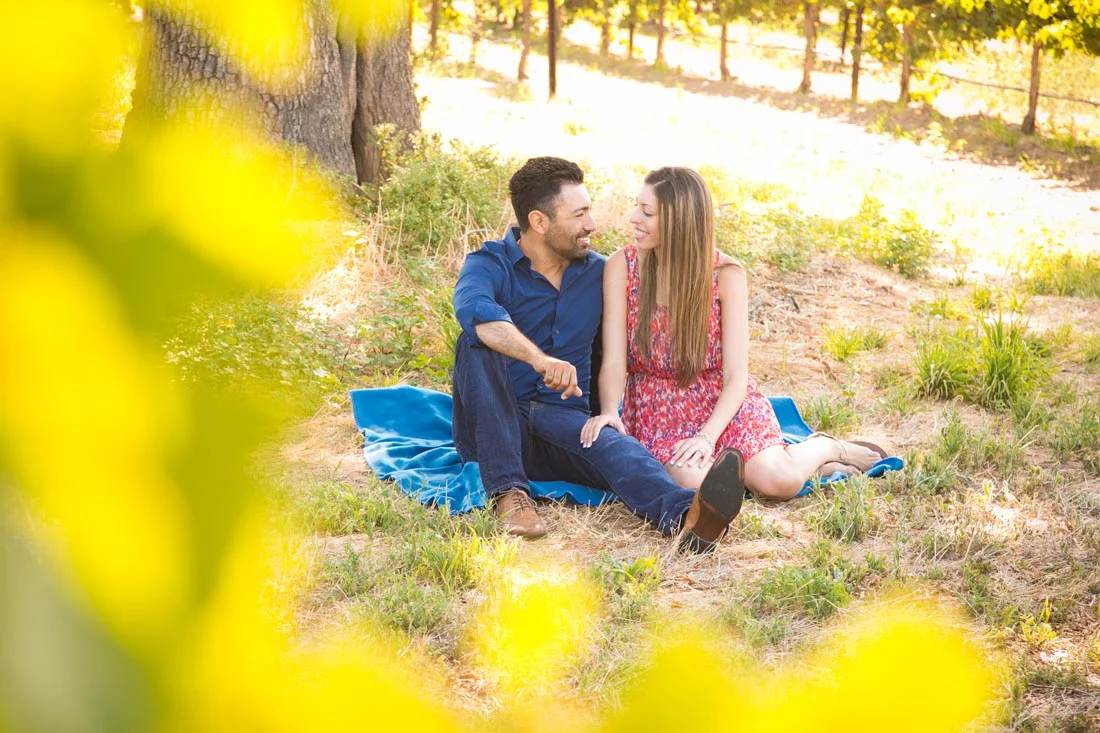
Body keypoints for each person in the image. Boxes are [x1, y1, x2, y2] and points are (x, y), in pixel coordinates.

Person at [451, 157, 744, 552]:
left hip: (562, 421)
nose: (593, 225)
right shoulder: (488, 265)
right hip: (495, 424)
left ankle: (688, 518)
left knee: (615, 444)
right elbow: (477, 315)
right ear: (539, 222)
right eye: (581, 214)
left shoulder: (597, 273)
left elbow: (632, 341)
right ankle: (509, 494)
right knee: (476, 341)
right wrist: (539, 360)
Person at [580, 167, 885, 499]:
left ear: (679, 221)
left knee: (777, 483)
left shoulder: (726, 274)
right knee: (698, 485)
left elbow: (737, 375)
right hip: (658, 408)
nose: (633, 217)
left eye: (647, 212)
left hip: (722, 401)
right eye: (636, 206)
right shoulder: (621, 266)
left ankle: (824, 448)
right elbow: (613, 360)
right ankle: (772, 466)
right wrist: (610, 411)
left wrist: (707, 437)